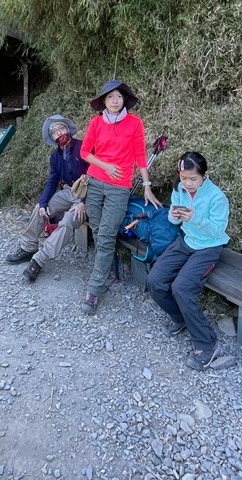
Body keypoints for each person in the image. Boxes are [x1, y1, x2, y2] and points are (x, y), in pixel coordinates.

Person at [80, 79, 159, 315]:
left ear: (125, 100)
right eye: (110, 97)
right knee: (98, 229)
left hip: (119, 187)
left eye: (119, 96)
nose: (115, 101)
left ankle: (95, 288)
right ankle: (109, 268)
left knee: (104, 235)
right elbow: (85, 153)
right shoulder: (96, 123)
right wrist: (105, 165)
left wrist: (146, 184)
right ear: (103, 101)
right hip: (94, 181)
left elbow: (140, 155)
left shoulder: (135, 123)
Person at [147, 151, 230, 370]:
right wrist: (174, 215)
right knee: (154, 280)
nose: (188, 183)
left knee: (182, 288)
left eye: (193, 179)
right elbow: (172, 221)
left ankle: (208, 343)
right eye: (184, 178)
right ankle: (181, 317)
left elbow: (217, 230)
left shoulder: (217, 197)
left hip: (209, 247)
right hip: (187, 240)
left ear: (205, 176)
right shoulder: (179, 189)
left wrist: (196, 218)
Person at [4, 114, 88, 283]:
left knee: (68, 221)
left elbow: (95, 173)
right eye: (54, 131)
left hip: (88, 193)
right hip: (69, 190)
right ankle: (28, 246)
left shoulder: (82, 147)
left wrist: (83, 202)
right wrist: (43, 203)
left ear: (68, 129)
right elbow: (52, 181)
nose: (59, 132)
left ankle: (39, 259)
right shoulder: (55, 156)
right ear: (52, 137)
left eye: (61, 128)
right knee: (41, 209)